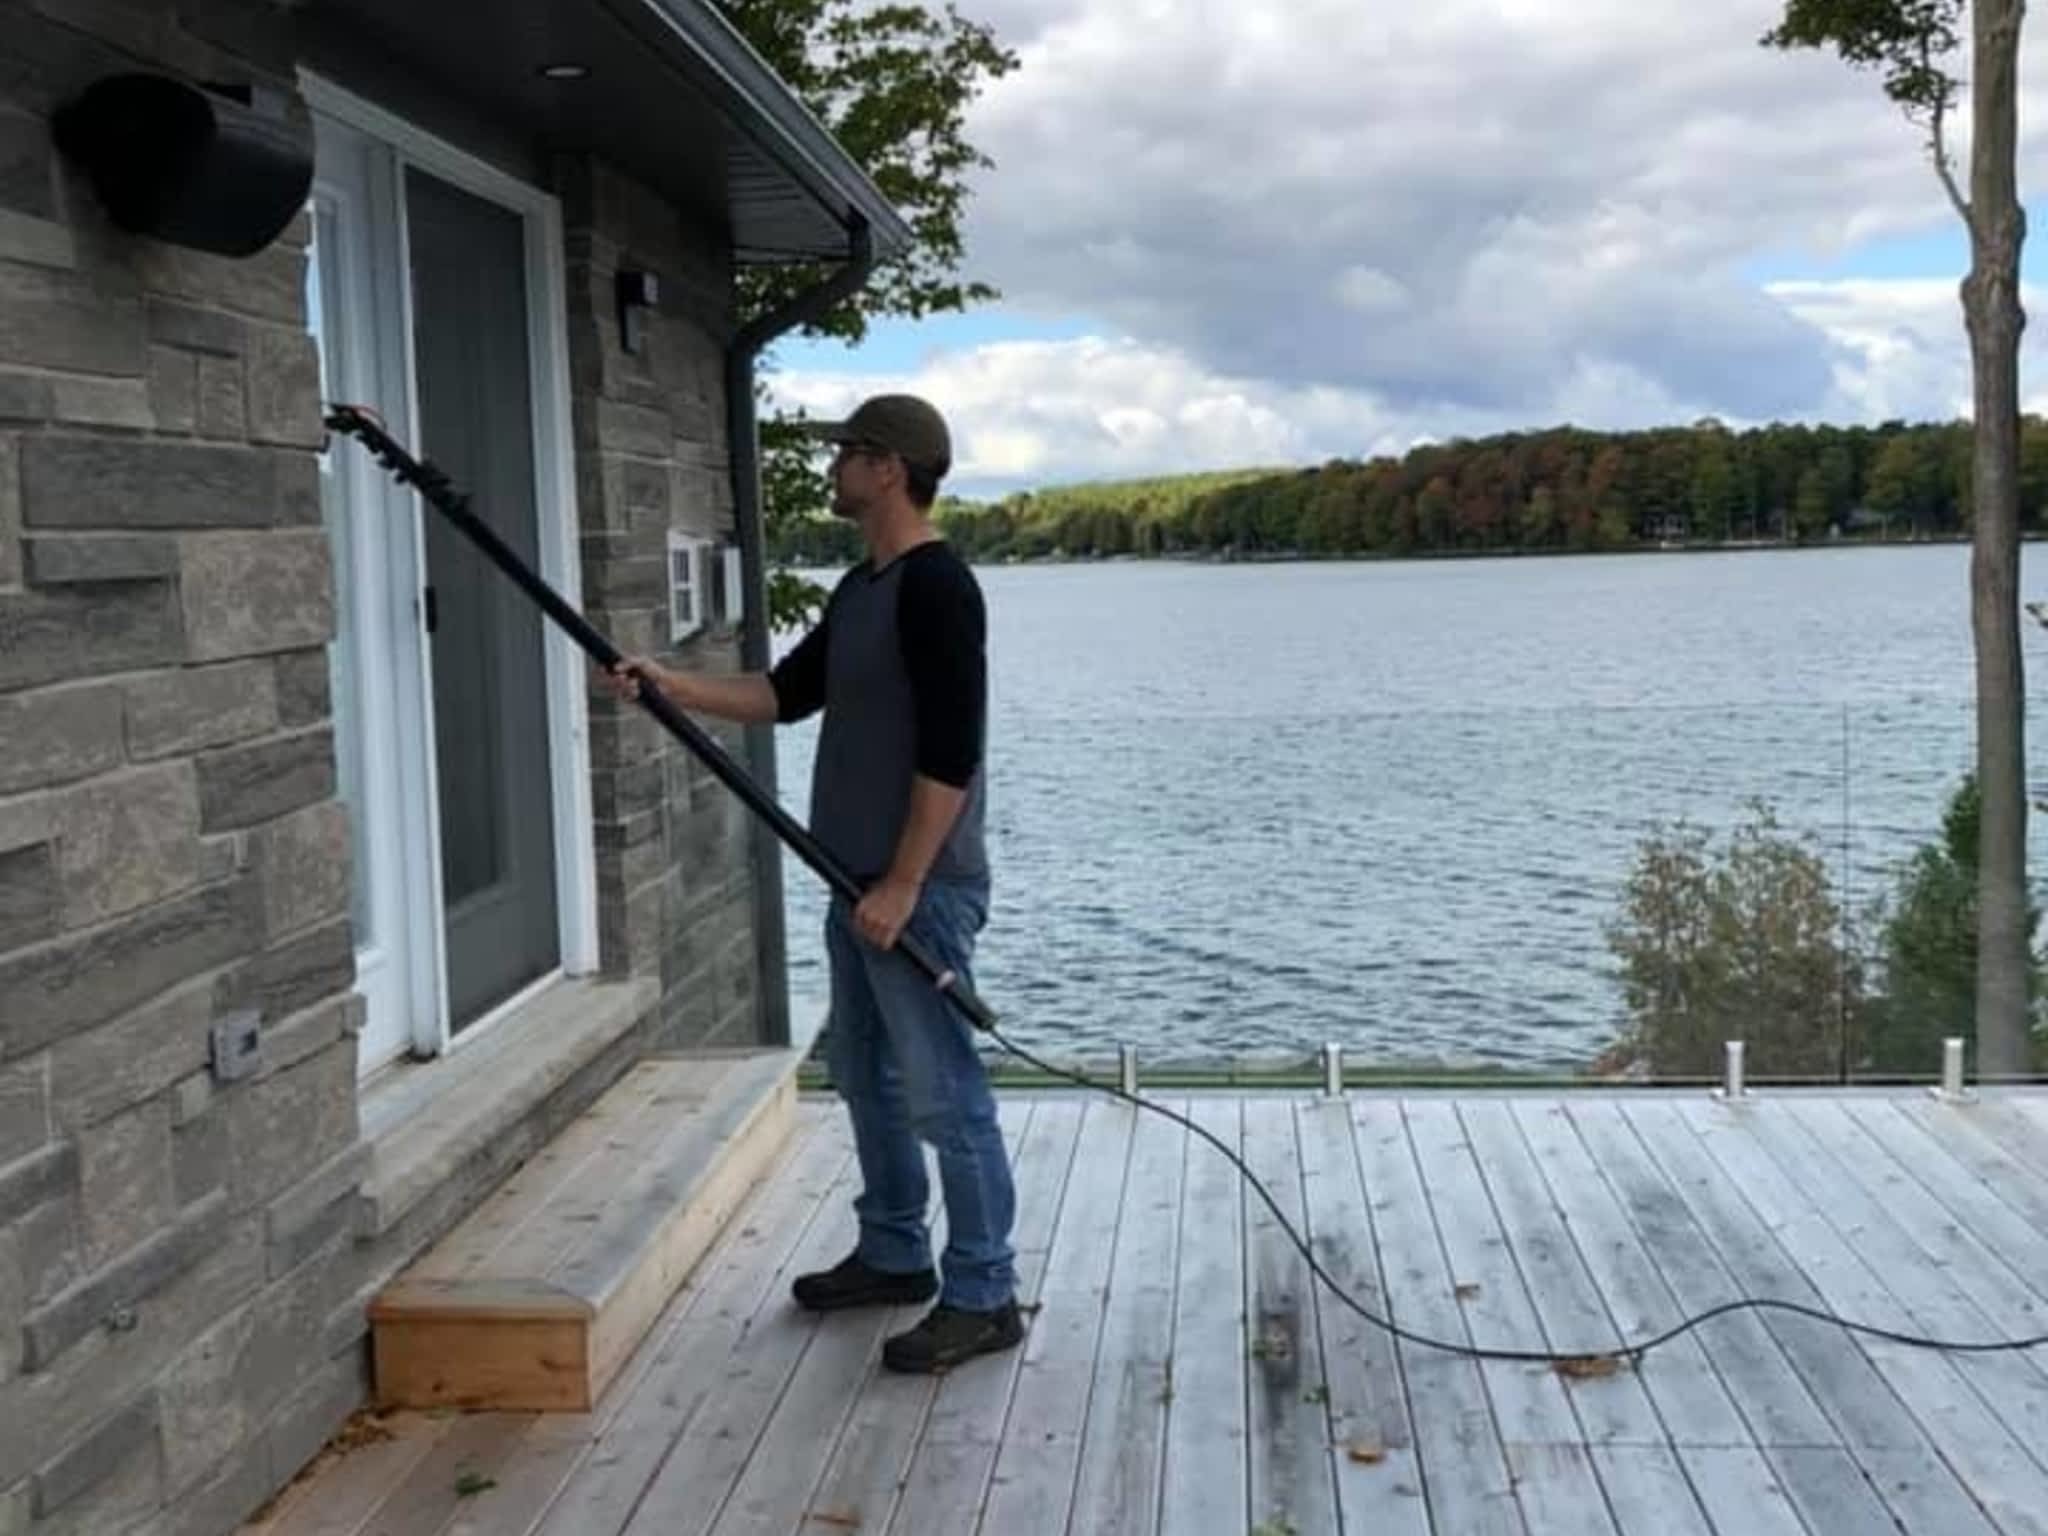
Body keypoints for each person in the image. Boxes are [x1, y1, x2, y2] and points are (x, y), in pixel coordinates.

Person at [600, 393, 1022, 1374]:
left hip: (918, 890)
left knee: (942, 1091)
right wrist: (666, 683)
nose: (832, 469)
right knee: (865, 1073)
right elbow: (783, 696)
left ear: (889, 468)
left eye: (845, 455)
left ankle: (984, 1291)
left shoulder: (938, 589)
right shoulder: (860, 589)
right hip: (854, 878)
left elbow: (952, 757)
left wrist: (907, 884)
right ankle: (892, 1251)